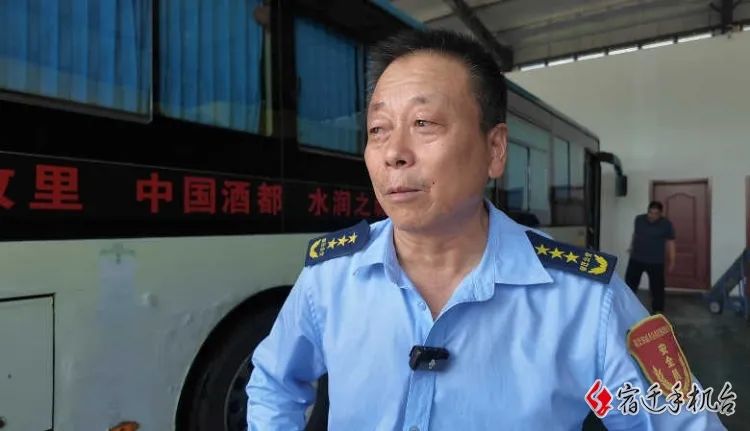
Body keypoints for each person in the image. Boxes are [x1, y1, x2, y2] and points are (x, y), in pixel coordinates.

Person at [246, 29, 724, 430]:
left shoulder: (587, 300)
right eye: (377, 129)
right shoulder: (329, 277)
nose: (393, 152)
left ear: (495, 150)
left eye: (423, 122)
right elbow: (273, 383)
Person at [625, 201, 676, 313]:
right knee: (629, 285)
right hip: (636, 259)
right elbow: (635, 234)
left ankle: (657, 310)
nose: (652, 216)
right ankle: (626, 307)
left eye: (655, 213)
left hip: (656, 261)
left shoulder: (666, 224)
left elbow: (670, 242)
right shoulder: (639, 219)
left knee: (657, 288)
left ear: (661, 213)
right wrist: (631, 246)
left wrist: (672, 260)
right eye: (650, 212)